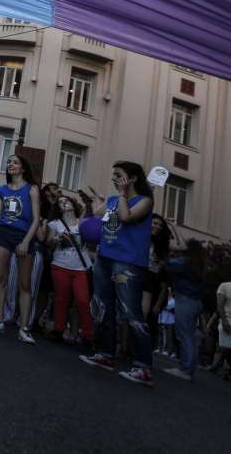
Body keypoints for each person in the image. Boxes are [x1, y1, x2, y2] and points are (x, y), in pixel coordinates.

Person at [79, 161, 156, 386]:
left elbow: (126, 217)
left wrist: (121, 194)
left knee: (131, 313)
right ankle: (105, 355)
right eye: (113, 175)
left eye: (119, 175)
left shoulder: (145, 201)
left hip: (128, 263)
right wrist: (96, 199)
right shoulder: (113, 200)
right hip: (105, 257)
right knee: (104, 307)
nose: (114, 178)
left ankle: (143, 367)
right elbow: (96, 215)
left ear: (132, 178)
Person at [0, 154, 42, 342]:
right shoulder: (1, 190)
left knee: (24, 284)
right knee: (0, 278)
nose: (11, 164)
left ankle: (24, 328)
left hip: (23, 236)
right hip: (3, 234)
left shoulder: (32, 189)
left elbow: (36, 220)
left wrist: (26, 241)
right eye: (8, 162)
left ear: (23, 168)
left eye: (15, 162)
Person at [46, 194, 94, 350]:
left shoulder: (83, 223)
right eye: (60, 202)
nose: (64, 202)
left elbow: (93, 229)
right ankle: (58, 330)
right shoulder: (55, 224)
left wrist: (90, 202)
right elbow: (49, 243)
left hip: (80, 268)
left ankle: (87, 336)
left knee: (82, 301)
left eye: (66, 200)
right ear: (58, 208)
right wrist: (55, 240)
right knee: (61, 299)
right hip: (60, 265)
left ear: (73, 203)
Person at [161, 238, 207, 381]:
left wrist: (168, 252)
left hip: (185, 300)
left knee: (184, 335)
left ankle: (185, 369)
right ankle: (189, 368)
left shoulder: (185, 261)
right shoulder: (199, 263)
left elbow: (167, 266)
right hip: (195, 302)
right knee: (190, 336)